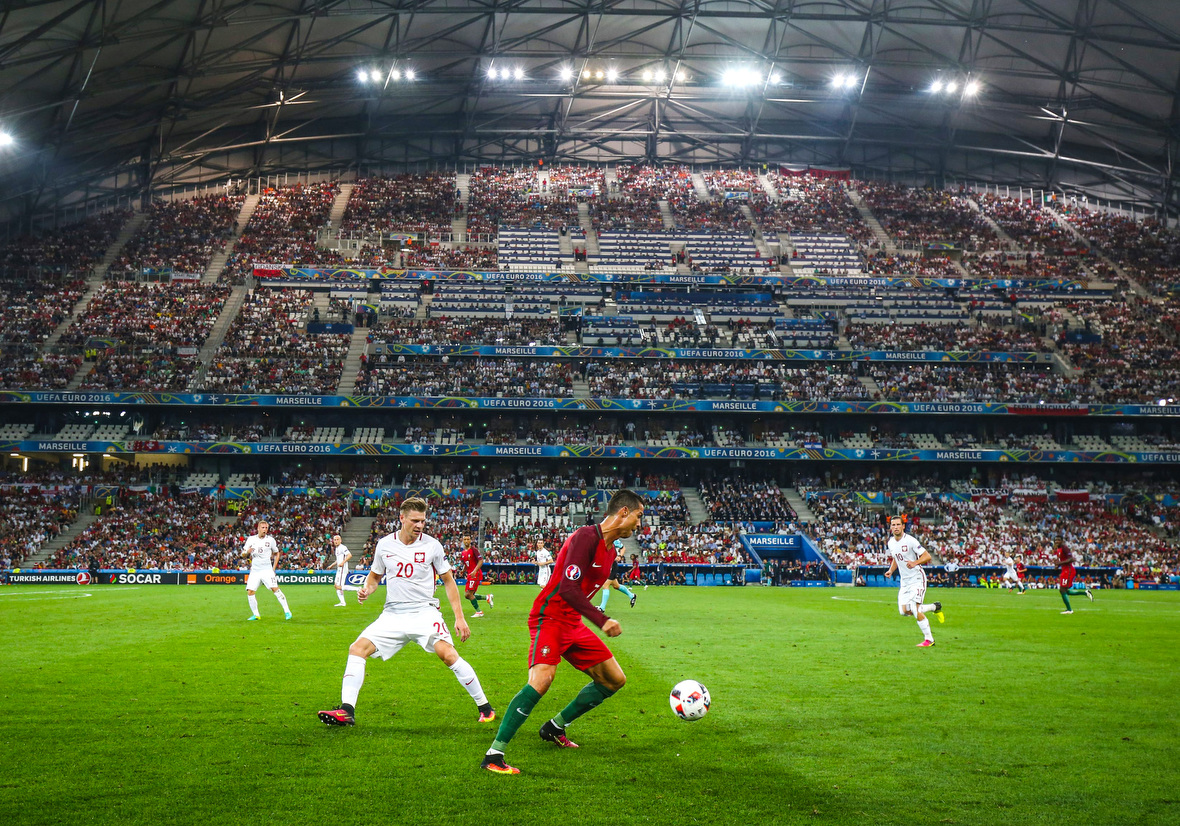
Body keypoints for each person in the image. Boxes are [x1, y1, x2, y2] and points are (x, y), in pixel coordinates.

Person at [481, 489, 645, 775]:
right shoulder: (585, 537)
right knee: (543, 679)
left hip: (573, 622)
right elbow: (568, 589)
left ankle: (554, 727)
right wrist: (602, 619)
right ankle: (494, 754)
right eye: (638, 516)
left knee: (614, 679)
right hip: (551, 616)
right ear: (623, 512)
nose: (639, 524)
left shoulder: (610, 552)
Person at [318, 497, 495, 727]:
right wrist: (367, 591)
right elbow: (374, 577)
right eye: (415, 520)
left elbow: (449, 581)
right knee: (357, 649)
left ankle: (485, 707)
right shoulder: (384, 545)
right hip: (392, 614)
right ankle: (346, 711)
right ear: (401, 518)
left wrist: (460, 618)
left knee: (448, 655)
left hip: (424, 612)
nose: (420, 525)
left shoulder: (432, 545)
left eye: (422, 521)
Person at [884, 515, 943, 647]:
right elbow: (896, 558)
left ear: (903, 526)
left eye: (898, 525)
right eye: (893, 525)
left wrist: (915, 562)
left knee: (915, 610)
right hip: (905, 581)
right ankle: (934, 607)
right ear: (890, 527)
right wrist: (891, 570)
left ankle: (929, 640)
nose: (896, 527)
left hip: (917, 578)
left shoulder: (910, 541)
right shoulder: (891, 542)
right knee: (904, 611)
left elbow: (927, 556)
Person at [242, 520, 291, 621]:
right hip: (255, 570)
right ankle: (256, 615)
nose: (265, 530)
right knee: (250, 592)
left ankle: (287, 611)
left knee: (275, 589)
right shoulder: (251, 539)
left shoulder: (271, 540)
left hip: (266, 569)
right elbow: (242, 555)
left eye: (266, 528)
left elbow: (277, 553)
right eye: (263, 528)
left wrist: (273, 568)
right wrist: (247, 552)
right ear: (258, 528)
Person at [597, 540, 637, 610]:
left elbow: (623, 548)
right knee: (616, 585)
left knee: (605, 585)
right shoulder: (601, 539)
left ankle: (602, 608)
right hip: (607, 563)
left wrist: (619, 556)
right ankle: (632, 595)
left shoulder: (614, 540)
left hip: (612, 564)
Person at [460, 534, 493, 617]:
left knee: (469, 594)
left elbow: (481, 561)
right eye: (465, 539)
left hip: (475, 574)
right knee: (467, 595)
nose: (466, 541)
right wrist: (463, 570)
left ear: (470, 540)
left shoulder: (473, 549)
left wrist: (475, 570)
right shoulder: (463, 552)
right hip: (470, 575)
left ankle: (479, 612)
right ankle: (487, 597)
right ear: (463, 540)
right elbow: (466, 563)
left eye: (468, 539)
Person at [1056, 544, 1094, 614]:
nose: (1057, 542)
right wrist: (1058, 565)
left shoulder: (1064, 548)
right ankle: (1085, 593)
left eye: (1059, 540)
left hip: (1068, 571)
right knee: (1065, 591)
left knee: (1062, 590)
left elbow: (1071, 559)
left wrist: (1059, 563)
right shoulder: (1058, 550)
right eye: (1056, 540)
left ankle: (1069, 610)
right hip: (1065, 570)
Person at [331, 533, 352, 607]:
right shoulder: (337, 549)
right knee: (336, 586)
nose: (336, 541)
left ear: (340, 540)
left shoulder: (343, 547)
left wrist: (343, 562)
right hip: (339, 569)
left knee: (339, 586)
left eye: (337, 540)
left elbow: (349, 555)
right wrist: (331, 565)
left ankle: (358, 589)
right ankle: (342, 602)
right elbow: (338, 560)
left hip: (343, 569)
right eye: (335, 540)